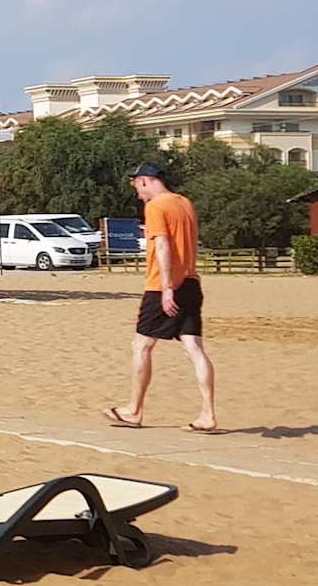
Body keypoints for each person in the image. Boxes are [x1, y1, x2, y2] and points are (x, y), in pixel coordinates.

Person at [105, 162, 216, 434]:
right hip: (191, 282)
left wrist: (167, 288)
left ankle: (134, 410)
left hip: (162, 285)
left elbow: (163, 245)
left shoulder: (155, 206)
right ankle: (208, 414)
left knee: (141, 346)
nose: (138, 194)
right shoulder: (185, 203)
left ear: (145, 181)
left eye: (137, 187)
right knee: (194, 348)